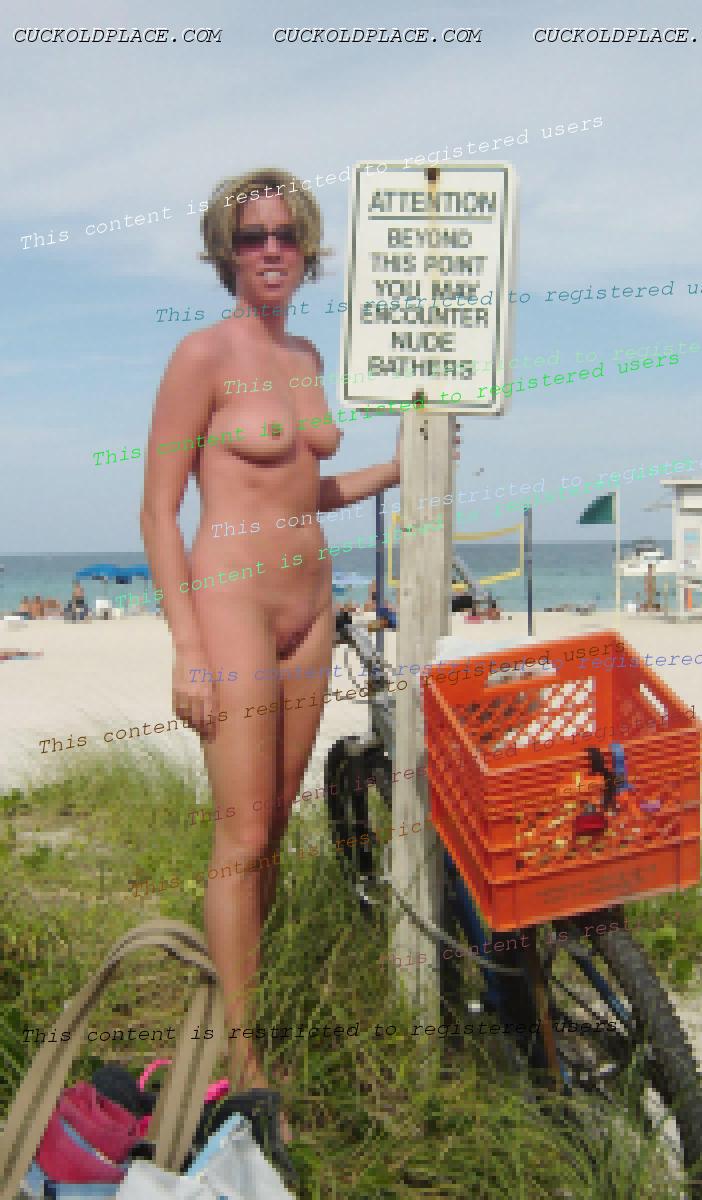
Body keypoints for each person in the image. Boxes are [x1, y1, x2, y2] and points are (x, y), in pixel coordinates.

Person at [140, 169, 400, 1116]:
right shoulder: (202, 355)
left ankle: (255, 1001)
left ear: (308, 247)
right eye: (252, 237)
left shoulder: (304, 356)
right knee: (242, 833)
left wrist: (395, 470)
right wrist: (187, 647)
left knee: (278, 826)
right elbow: (159, 512)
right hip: (233, 603)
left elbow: (303, 489)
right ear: (226, 252)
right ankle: (243, 1057)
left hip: (309, 604)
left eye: (287, 233)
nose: (272, 250)